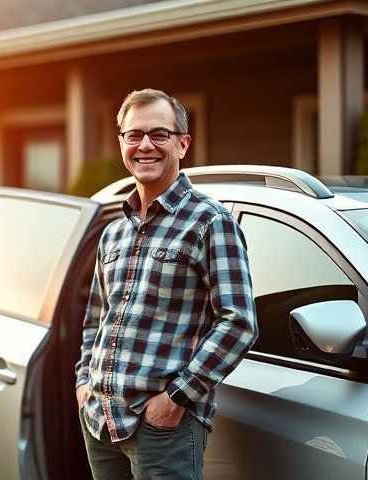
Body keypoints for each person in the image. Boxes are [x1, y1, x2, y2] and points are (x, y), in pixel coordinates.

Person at [74, 89, 258, 480]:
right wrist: (84, 384)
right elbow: (96, 319)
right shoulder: (113, 233)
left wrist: (176, 399)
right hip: (100, 419)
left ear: (183, 144)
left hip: (162, 428)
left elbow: (238, 322)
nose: (145, 146)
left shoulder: (210, 223)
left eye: (159, 135)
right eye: (134, 135)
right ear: (121, 142)